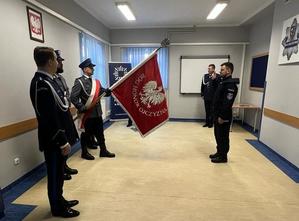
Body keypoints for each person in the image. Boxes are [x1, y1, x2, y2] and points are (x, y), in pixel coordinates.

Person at [29, 47, 79, 217]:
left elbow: (60, 109)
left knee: (59, 174)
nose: (58, 62)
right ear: (50, 61)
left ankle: (60, 199)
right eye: (56, 60)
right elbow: (48, 119)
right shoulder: (40, 84)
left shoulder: (50, 81)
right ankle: (57, 208)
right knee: (54, 174)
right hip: (53, 140)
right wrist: (62, 141)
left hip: (59, 137)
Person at [70, 58, 115, 160]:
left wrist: (108, 91)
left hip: (97, 113)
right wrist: (81, 107)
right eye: (91, 67)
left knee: (100, 133)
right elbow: (73, 97)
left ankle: (103, 151)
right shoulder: (79, 82)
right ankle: (84, 152)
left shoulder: (96, 82)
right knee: (86, 134)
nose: (93, 69)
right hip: (87, 114)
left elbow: (102, 92)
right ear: (85, 69)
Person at [53, 50, 79, 181]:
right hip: (59, 116)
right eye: (60, 61)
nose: (61, 64)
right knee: (61, 144)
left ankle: (64, 165)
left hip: (65, 113)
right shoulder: (49, 80)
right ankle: (60, 170)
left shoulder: (60, 78)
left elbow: (66, 93)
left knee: (68, 140)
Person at [210, 62, 239, 163]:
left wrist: (222, 116)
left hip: (223, 116)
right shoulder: (223, 82)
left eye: (222, 70)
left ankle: (223, 157)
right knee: (218, 134)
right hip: (217, 114)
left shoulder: (230, 84)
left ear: (228, 71)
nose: (220, 71)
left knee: (223, 136)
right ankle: (219, 152)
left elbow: (227, 103)